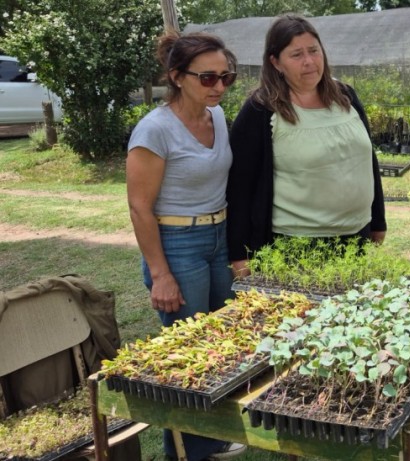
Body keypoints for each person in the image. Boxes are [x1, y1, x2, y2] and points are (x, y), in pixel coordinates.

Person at [126, 32, 245, 461]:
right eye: (208, 77)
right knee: (190, 355)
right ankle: (184, 452)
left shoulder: (217, 116)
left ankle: (209, 439)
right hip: (177, 244)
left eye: (226, 77)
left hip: (218, 237)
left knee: (222, 344)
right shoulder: (154, 130)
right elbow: (140, 207)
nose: (218, 86)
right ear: (177, 77)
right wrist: (160, 273)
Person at [227, 14, 386, 275]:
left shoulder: (345, 96)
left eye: (314, 50)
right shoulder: (261, 109)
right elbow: (240, 188)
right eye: (296, 54)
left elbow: (366, 161)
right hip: (296, 247)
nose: (309, 61)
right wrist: (239, 255)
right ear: (275, 62)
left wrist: (378, 221)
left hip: (357, 236)